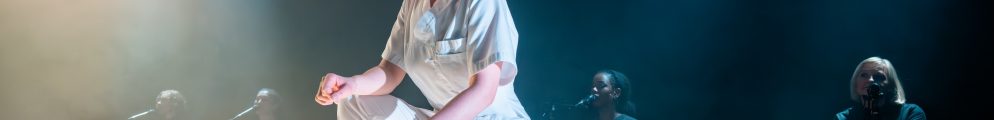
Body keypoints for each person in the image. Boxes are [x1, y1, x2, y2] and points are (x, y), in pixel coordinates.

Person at [313, 0, 528, 119]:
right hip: (439, 116)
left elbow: (484, 90)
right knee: (352, 102)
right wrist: (351, 84)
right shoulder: (412, 4)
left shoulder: (482, 2)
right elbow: (389, 71)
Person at [835, 57, 926, 120]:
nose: (870, 80)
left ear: (891, 85)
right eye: (864, 75)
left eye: (878, 76)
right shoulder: (842, 118)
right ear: (855, 84)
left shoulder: (911, 112)